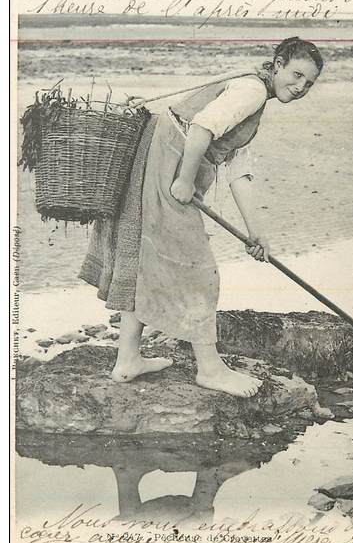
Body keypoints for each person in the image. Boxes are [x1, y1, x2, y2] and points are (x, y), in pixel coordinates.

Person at [80, 37, 323, 398]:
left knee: (148, 261)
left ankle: (128, 359)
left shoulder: (255, 98)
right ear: (278, 63)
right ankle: (210, 370)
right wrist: (183, 178)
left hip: (166, 156)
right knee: (196, 268)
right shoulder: (252, 91)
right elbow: (202, 127)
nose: (300, 87)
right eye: (297, 74)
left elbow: (238, 171)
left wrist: (258, 234)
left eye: (309, 83)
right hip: (169, 160)